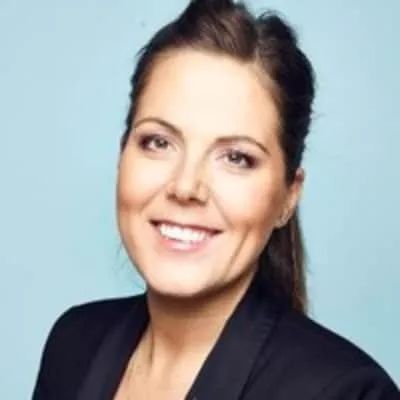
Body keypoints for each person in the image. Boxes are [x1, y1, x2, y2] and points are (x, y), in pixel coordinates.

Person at [32, 0, 399, 399]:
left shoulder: (347, 392)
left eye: (236, 158)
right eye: (159, 142)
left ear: (288, 197)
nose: (186, 186)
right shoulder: (74, 344)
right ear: (123, 154)